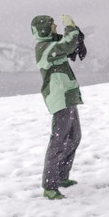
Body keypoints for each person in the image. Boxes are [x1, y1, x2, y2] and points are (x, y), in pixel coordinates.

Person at [32, 13, 85, 199]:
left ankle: (61, 177)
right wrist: (70, 27)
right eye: (52, 24)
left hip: (68, 96)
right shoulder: (44, 48)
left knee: (74, 137)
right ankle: (50, 186)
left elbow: (70, 43)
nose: (55, 26)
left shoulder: (52, 44)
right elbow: (68, 44)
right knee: (58, 142)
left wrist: (76, 30)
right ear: (43, 28)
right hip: (59, 98)